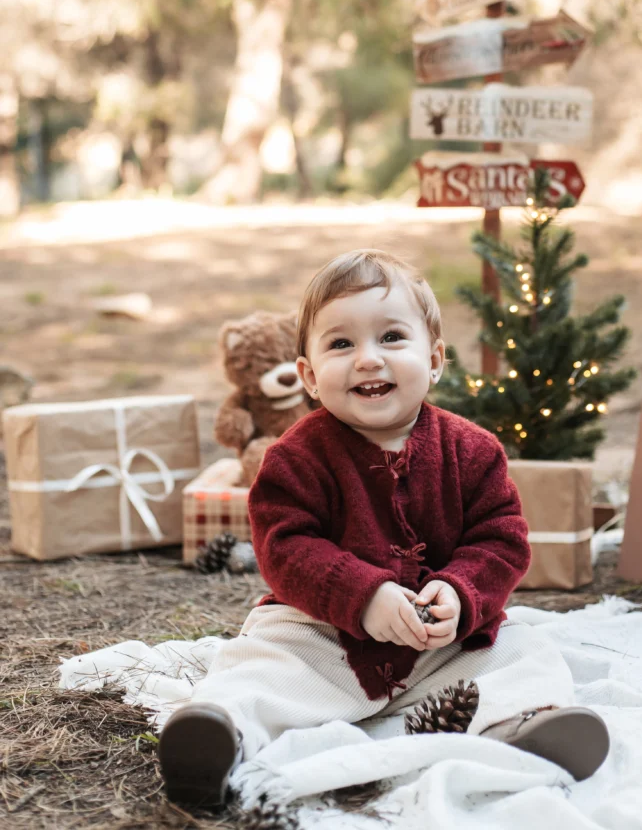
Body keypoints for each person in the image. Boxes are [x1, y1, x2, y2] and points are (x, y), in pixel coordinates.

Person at [159, 249, 609, 807]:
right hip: (323, 635)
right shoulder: (294, 457)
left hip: (439, 643)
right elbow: (285, 545)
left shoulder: (473, 451)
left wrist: (461, 593)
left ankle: (522, 727)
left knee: (525, 652)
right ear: (309, 377)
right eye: (341, 344)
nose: (368, 359)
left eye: (392, 337)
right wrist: (362, 595)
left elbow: (501, 537)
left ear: (435, 359)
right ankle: (219, 738)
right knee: (258, 667)